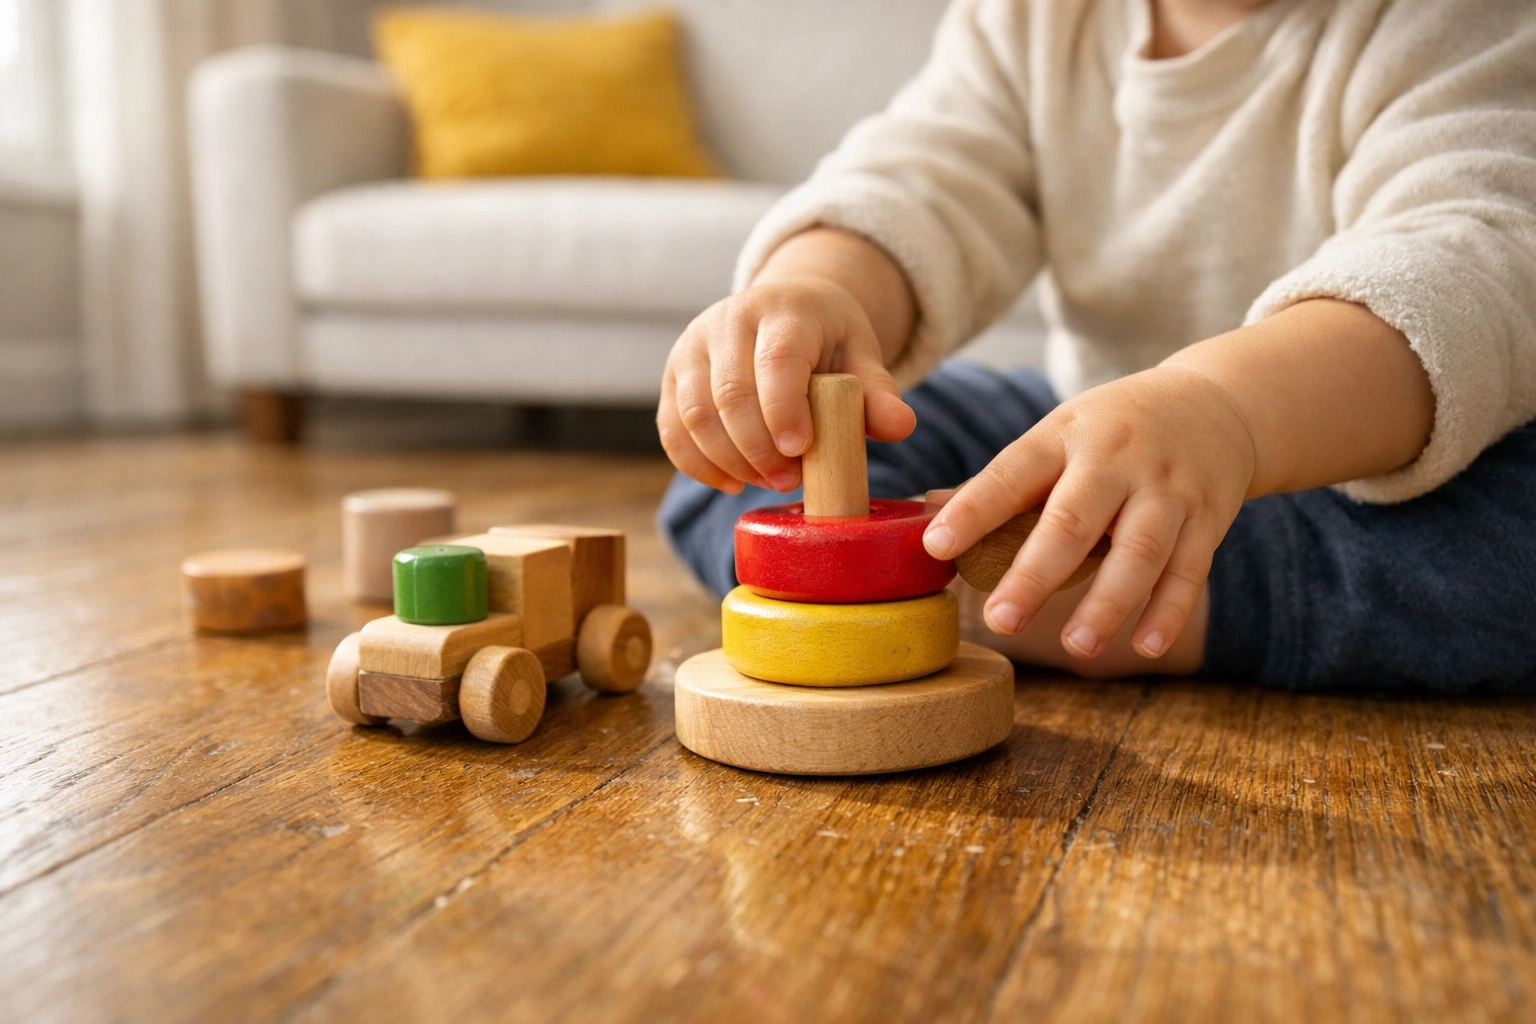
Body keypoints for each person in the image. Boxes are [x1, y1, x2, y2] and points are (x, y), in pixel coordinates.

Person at [657, 0, 1536, 691]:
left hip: (1384, 471)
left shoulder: (1464, 21)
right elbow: (923, 181)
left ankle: (1018, 602)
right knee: (761, 463)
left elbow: (1467, 258)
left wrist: (1223, 409)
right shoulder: (1035, 18)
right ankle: (994, 586)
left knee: (1505, 557)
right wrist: (819, 292)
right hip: (1098, 427)